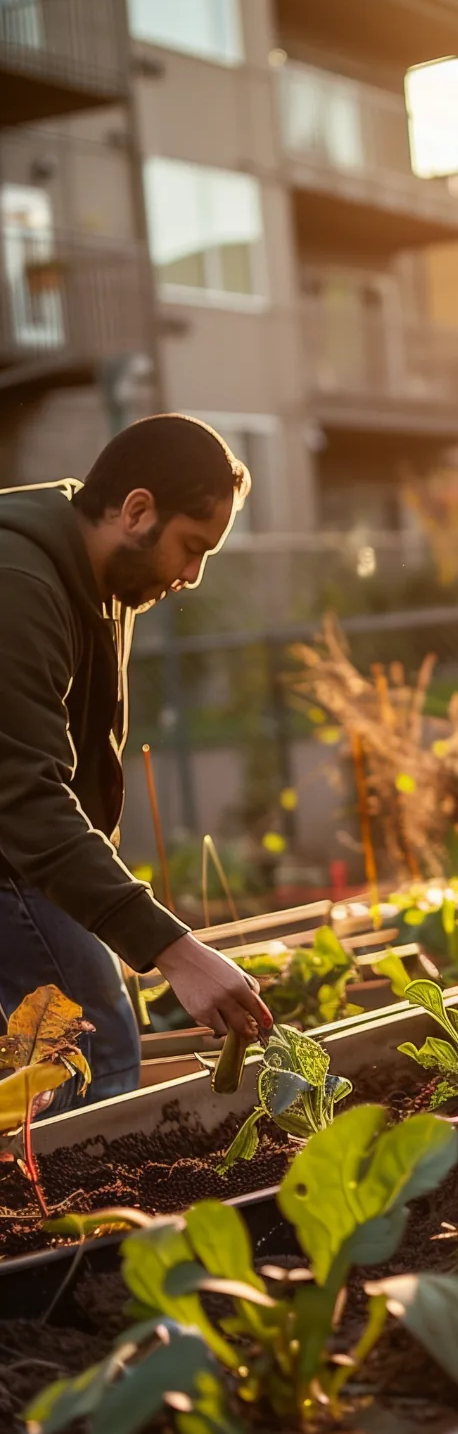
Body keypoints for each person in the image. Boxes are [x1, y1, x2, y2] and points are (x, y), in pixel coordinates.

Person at [0, 413, 272, 1110]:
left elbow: (74, 785)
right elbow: (26, 799)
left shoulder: (93, 584)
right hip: (12, 857)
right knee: (97, 1055)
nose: (190, 575)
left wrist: (120, 931)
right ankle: (93, 1222)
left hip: (20, 856)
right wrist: (172, 949)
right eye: (190, 547)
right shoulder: (18, 585)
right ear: (137, 510)